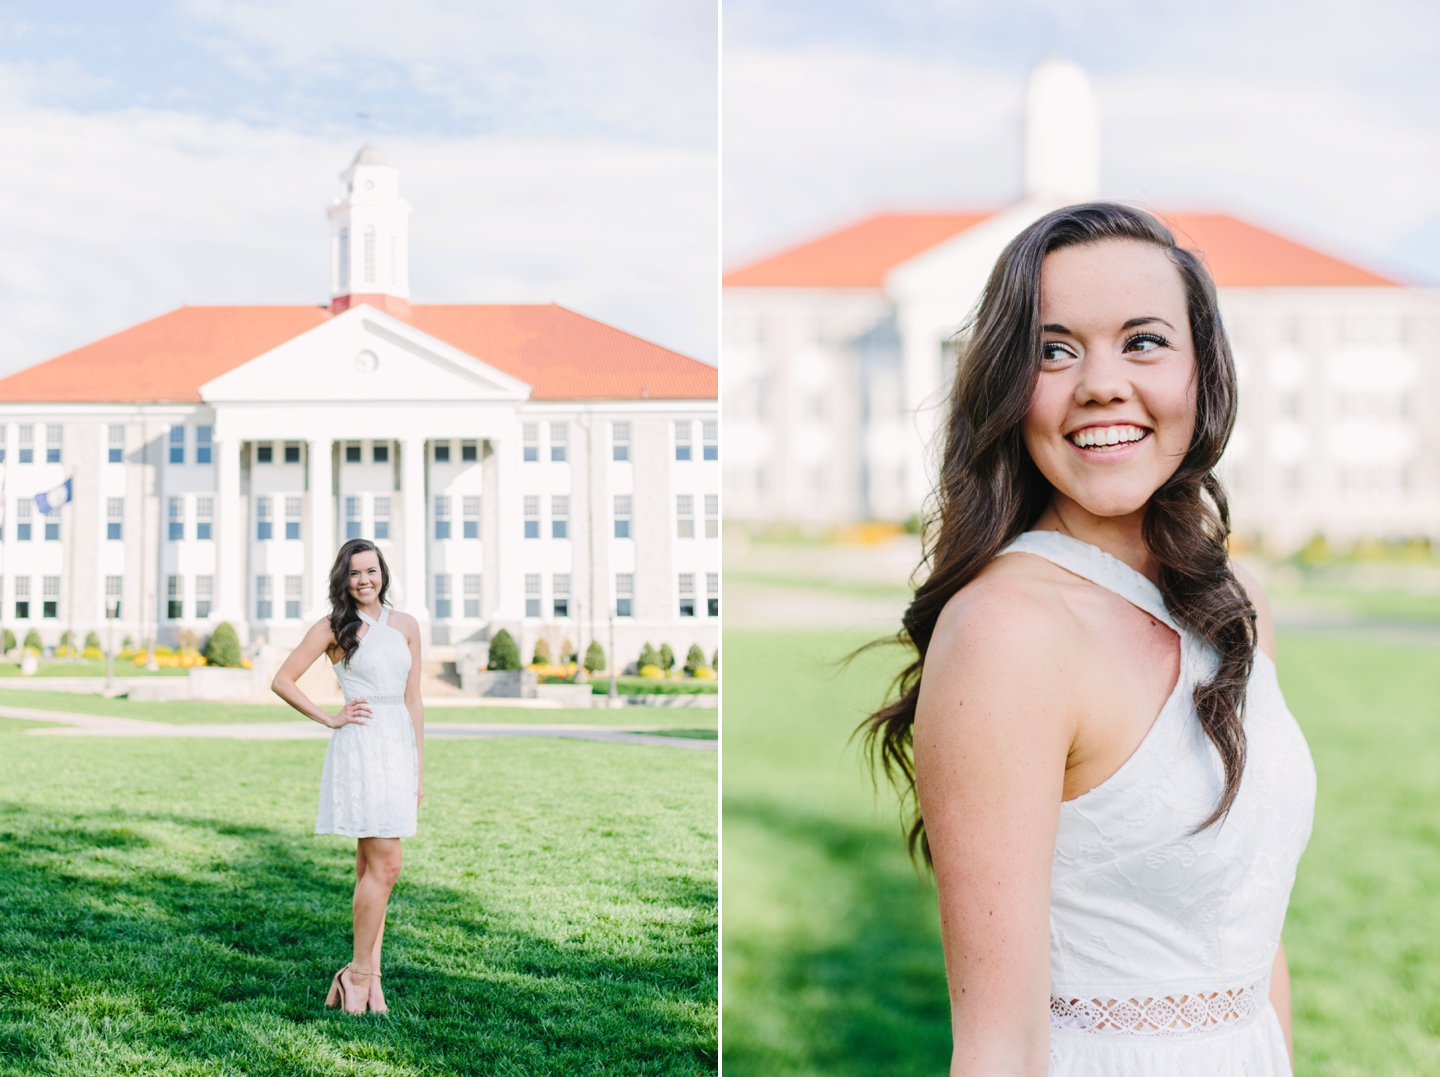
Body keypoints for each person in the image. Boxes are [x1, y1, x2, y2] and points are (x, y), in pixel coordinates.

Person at [861, 203, 1315, 1075]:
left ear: (1203, 371)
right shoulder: (1009, 633)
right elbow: (996, 1044)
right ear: (1004, 386)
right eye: (1053, 349)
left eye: (1143, 341)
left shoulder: (1235, 603)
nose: (1101, 382)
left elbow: (1255, 939)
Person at [272, 538, 424, 1015]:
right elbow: (282, 679)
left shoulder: (407, 626)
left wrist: (418, 766)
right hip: (361, 746)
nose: (365, 580)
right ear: (344, 578)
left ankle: (367, 979)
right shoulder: (335, 627)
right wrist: (330, 718)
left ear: (383, 574)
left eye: (372, 571)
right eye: (355, 573)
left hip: (397, 747)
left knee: (370, 869)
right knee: (387, 865)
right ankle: (357, 976)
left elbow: (414, 699)